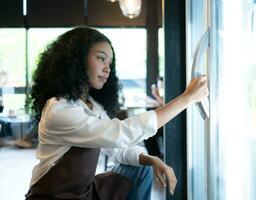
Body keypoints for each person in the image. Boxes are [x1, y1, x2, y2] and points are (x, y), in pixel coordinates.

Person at [25, 27, 209, 200]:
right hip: (52, 195)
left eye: (109, 62)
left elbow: (117, 149)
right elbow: (119, 135)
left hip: (84, 193)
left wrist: (152, 159)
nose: (107, 68)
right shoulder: (59, 109)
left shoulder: (92, 106)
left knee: (141, 168)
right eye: (100, 58)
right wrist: (186, 98)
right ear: (77, 59)